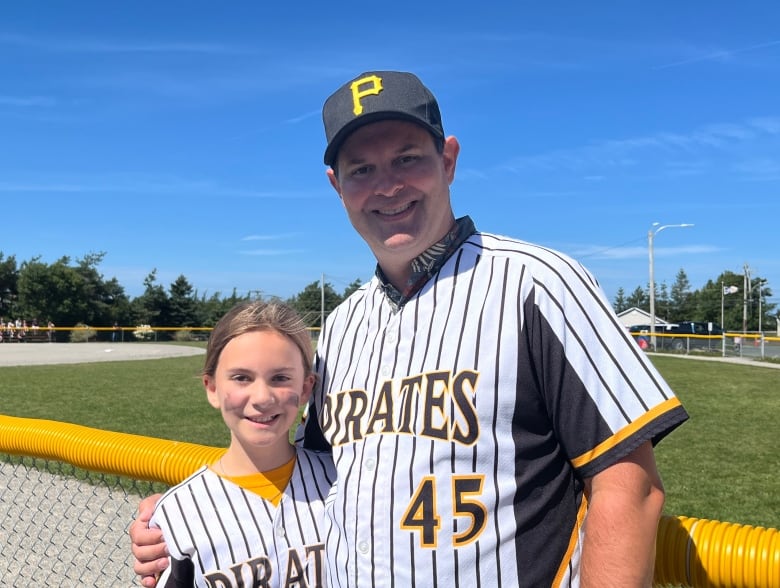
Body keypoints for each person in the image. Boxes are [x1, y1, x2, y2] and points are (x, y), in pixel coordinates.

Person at [132, 70, 688, 587]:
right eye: (362, 170)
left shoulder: (536, 283)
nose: (388, 187)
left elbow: (629, 485)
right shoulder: (346, 322)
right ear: (337, 185)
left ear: (448, 160)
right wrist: (183, 516)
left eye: (407, 159)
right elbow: (306, 465)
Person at [146, 300, 335, 587]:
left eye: (281, 377)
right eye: (241, 378)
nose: (262, 397)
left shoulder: (345, 482)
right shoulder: (179, 513)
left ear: (306, 387)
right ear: (212, 388)